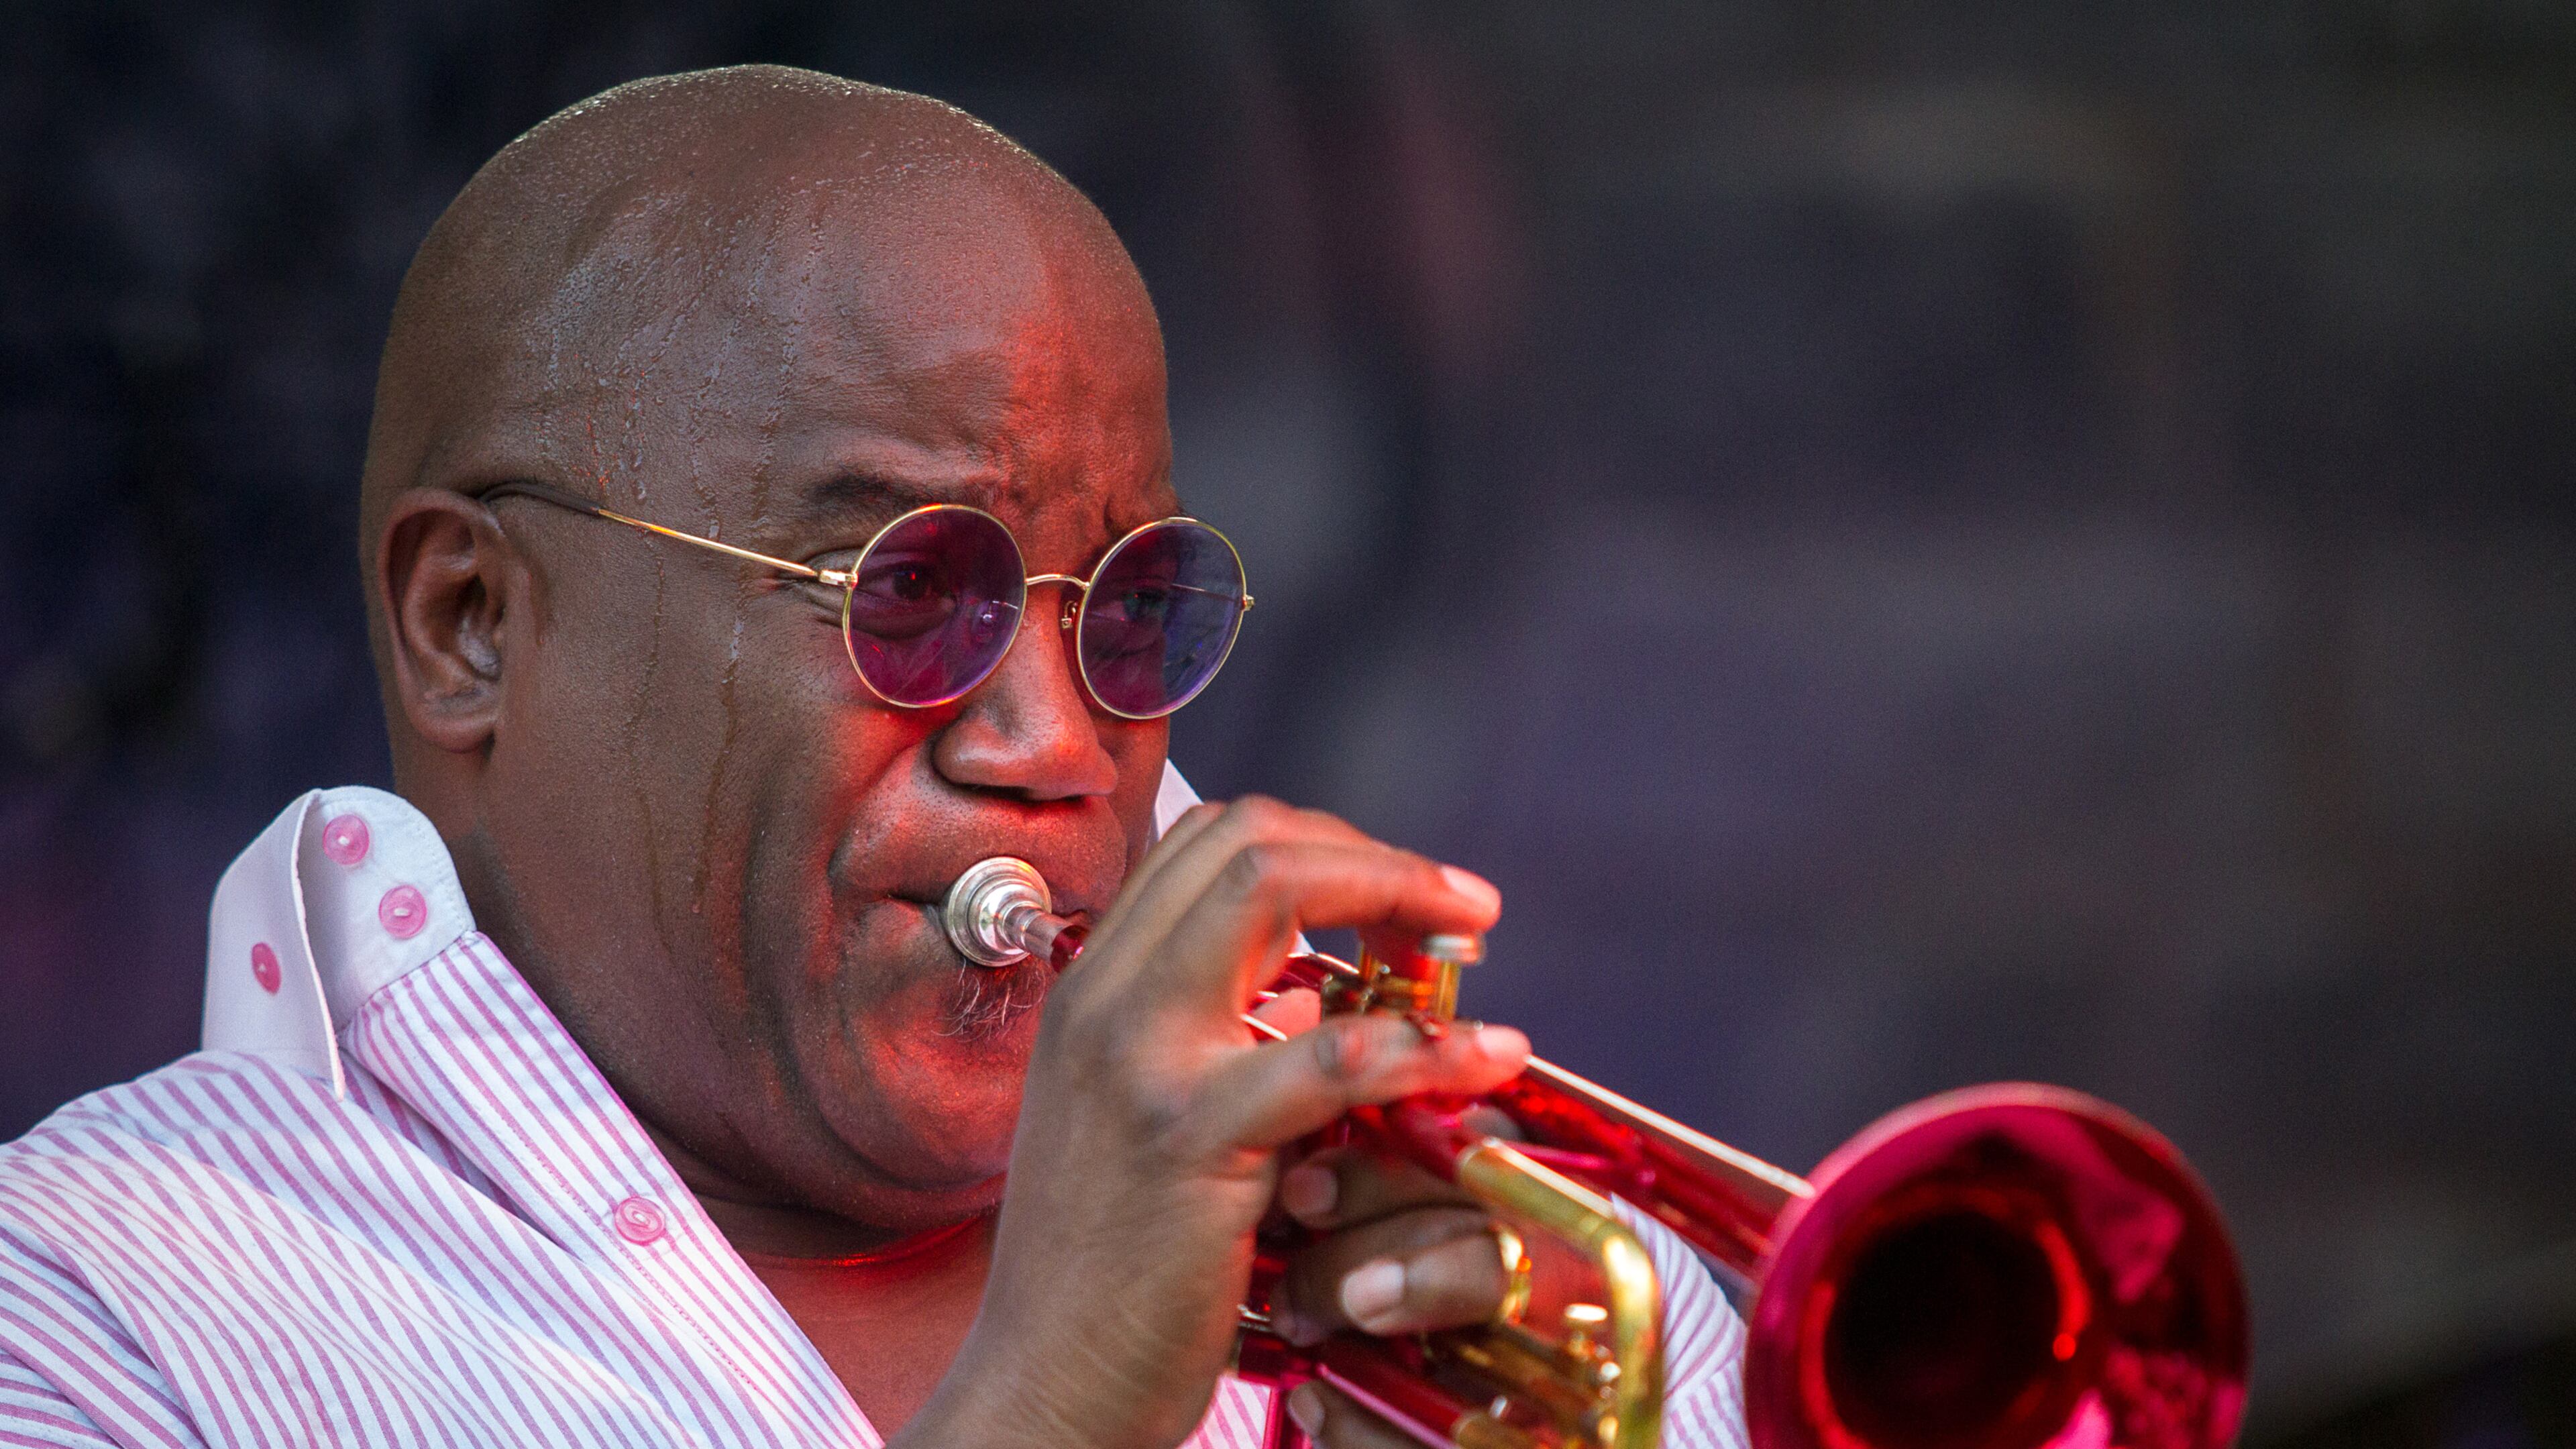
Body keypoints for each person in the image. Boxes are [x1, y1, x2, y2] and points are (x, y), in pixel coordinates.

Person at [0, 66, 1746, 1449]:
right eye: (909, 592)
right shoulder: (89, 1311)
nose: (1058, 745)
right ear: (473, 623)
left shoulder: (1547, 1294)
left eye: (1130, 611)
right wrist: (1056, 1408)